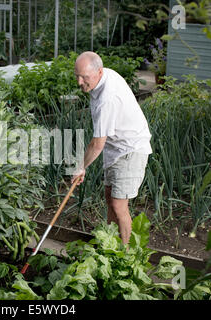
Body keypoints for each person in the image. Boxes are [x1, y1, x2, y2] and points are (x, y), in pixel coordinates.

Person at [71, 51, 152, 244]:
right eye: (77, 76)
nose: (79, 82)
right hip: (115, 148)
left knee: (118, 205)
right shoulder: (103, 75)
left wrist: (81, 167)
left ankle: (124, 255)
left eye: (84, 77)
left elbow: (97, 143)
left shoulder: (108, 98)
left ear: (98, 72)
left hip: (130, 148)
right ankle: (110, 243)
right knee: (109, 197)